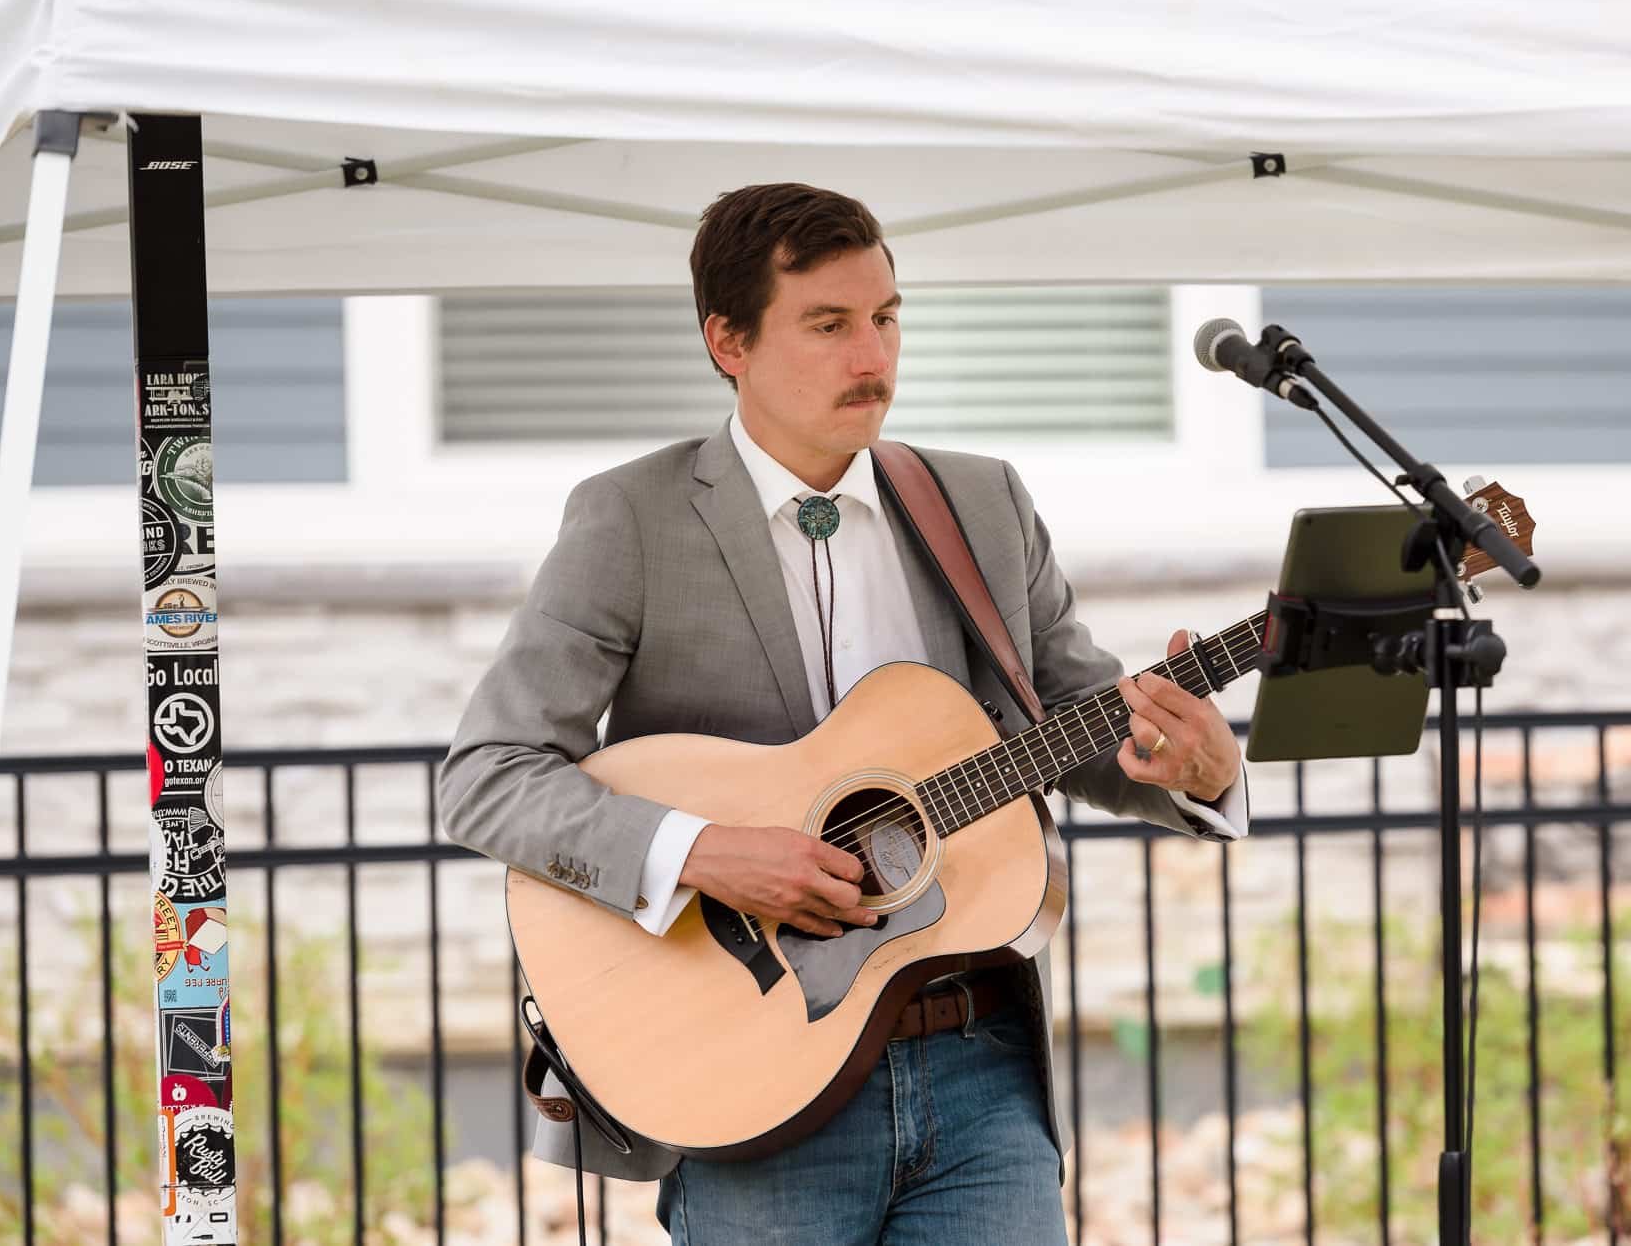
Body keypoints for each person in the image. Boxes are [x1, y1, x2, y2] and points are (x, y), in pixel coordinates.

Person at [438, 182, 1250, 1244]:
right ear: (726, 339)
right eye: (828, 325)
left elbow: (1071, 720)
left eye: (885, 317)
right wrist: (701, 850)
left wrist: (1191, 769)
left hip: (977, 1066)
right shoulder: (630, 520)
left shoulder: (980, 504)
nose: (871, 355)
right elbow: (488, 772)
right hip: (756, 1073)